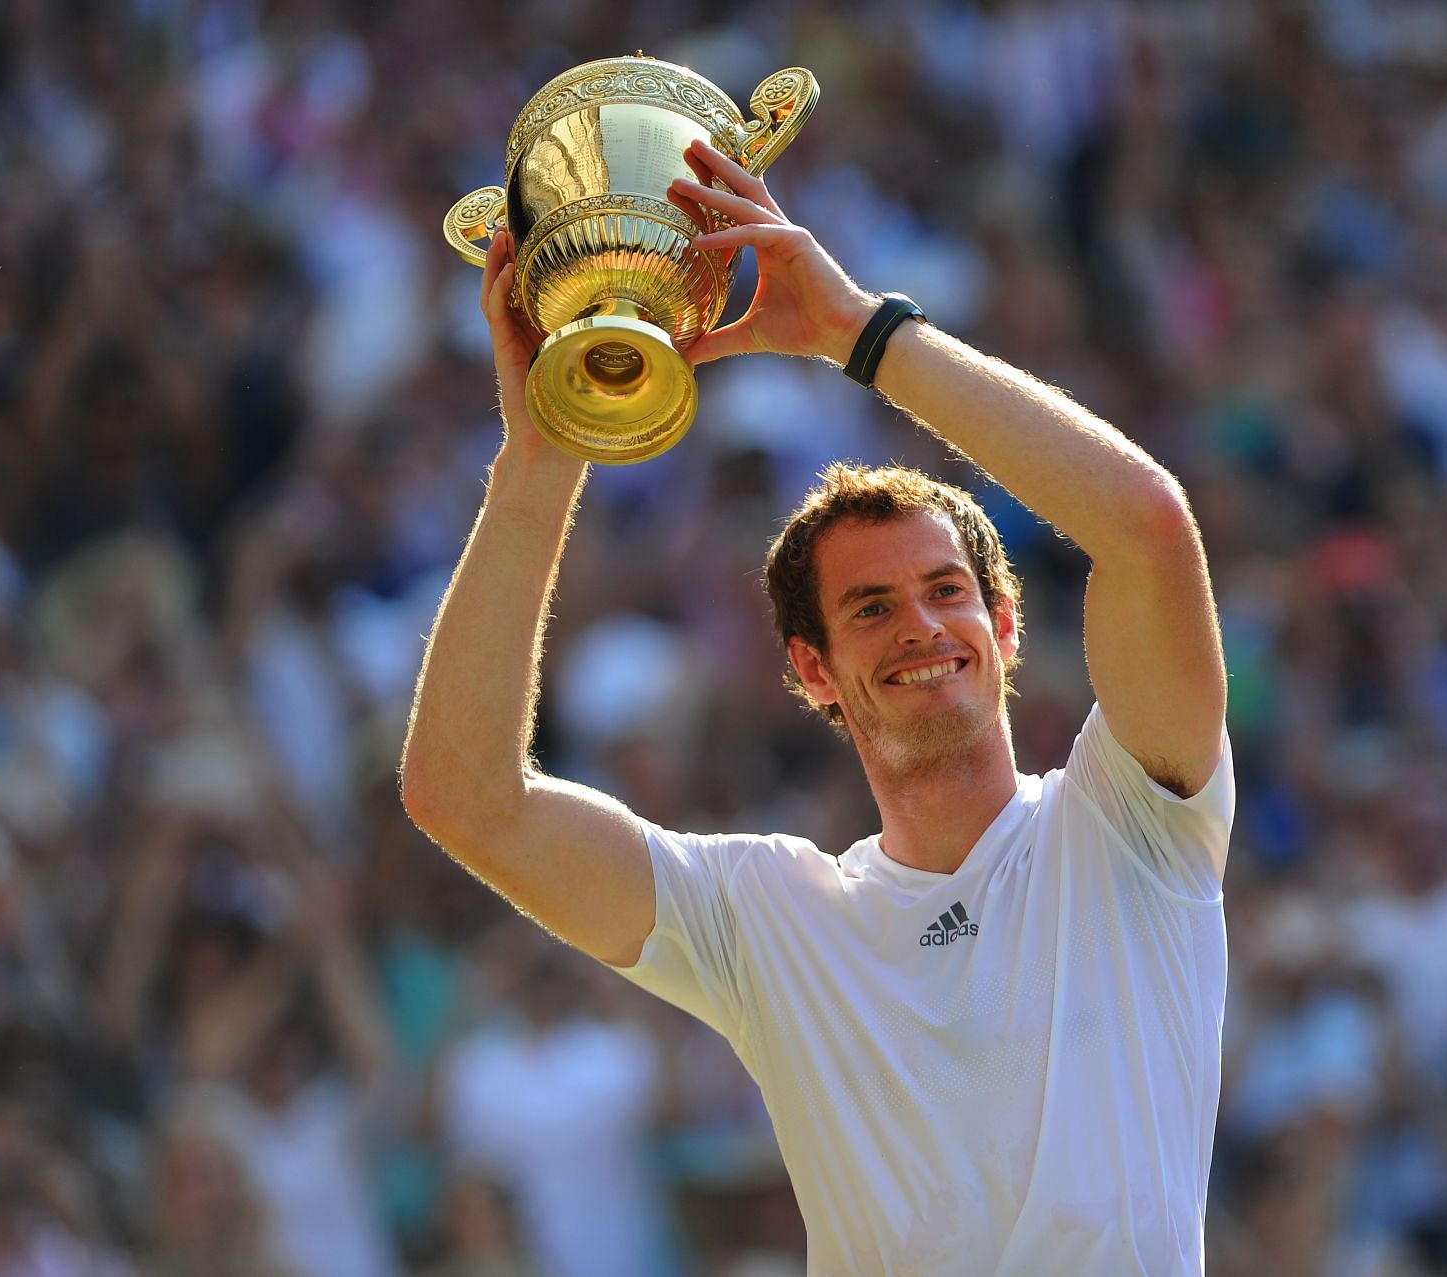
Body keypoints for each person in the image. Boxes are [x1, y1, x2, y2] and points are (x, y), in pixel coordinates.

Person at [401, 135, 1233, 1275]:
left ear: (1003, 630)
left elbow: (1147, 530)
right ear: (812, 670)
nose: (922, 627)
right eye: (873, 608)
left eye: (948, 593)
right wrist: (543, 450)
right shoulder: (765, 915)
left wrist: (860, 333)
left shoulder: (1132, 822)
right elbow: (465, 796)